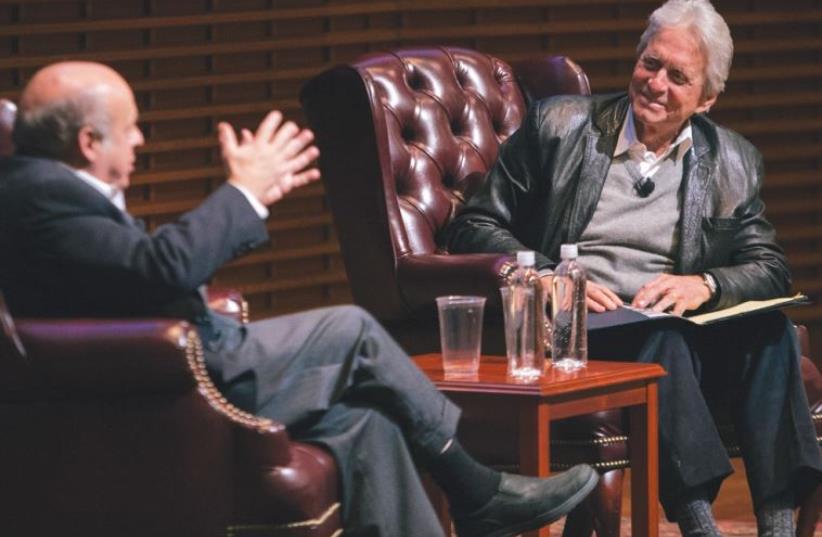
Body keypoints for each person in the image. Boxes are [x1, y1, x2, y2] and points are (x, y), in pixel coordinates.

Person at [0, 61, 600, 537]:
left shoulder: (42, 193)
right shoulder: (41, 197)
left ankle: (477, 501)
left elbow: (129, 279)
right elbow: (161, 268)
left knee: (368, 426)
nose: (139, 139)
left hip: (168, 369)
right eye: (130, 127)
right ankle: (477, 491)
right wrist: (243, 194)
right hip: (176, 379)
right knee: (352, 329)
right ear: (86, 140)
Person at [446, 1, 822, 536]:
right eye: (651, 63)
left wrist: (707, 284)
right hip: (583, 328)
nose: (656, 83)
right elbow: (475, 226)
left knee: (774, 335)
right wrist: (547, 276)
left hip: (679, 330)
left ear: (707, 99)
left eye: (678, 77)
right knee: (661, 344)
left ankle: (779, 527)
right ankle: (699, 527)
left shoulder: (734, 161)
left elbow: (770, 267)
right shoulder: (558, 127)